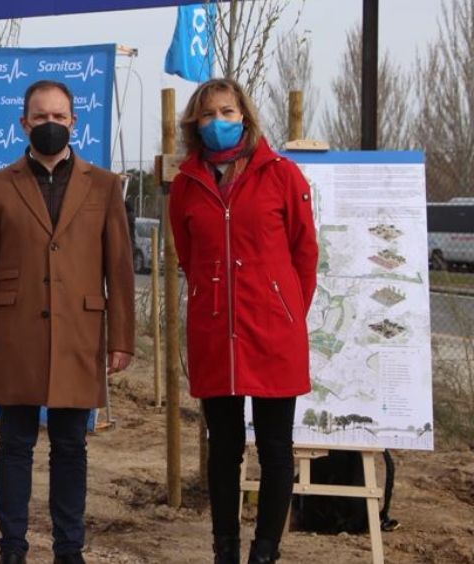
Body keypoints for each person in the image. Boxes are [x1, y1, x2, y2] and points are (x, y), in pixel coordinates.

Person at [0, 79, 135, 564]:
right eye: (41, 117)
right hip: (16, 337)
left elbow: (118, 269)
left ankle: (68, 549)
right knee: (14, 446)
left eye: (59, 117)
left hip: (79, 335)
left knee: (71, 448)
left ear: (73, 122)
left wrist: (121, 338)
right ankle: (12, 547)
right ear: (24, 123)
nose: (50, 125)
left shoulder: (104, 186)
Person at [168, 78, 318, 564]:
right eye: (208, 115)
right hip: (215, 331)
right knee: (224, 447)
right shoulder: (187, 183)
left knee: (276, 449)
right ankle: (225, 550)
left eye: (228, 112)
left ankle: (265, 551)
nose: (219, 122)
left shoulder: (282, 175)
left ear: (246, 117)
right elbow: (189, 256)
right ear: (195, 124)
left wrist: (286, 309)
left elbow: (304, 254)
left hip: (273, 331)